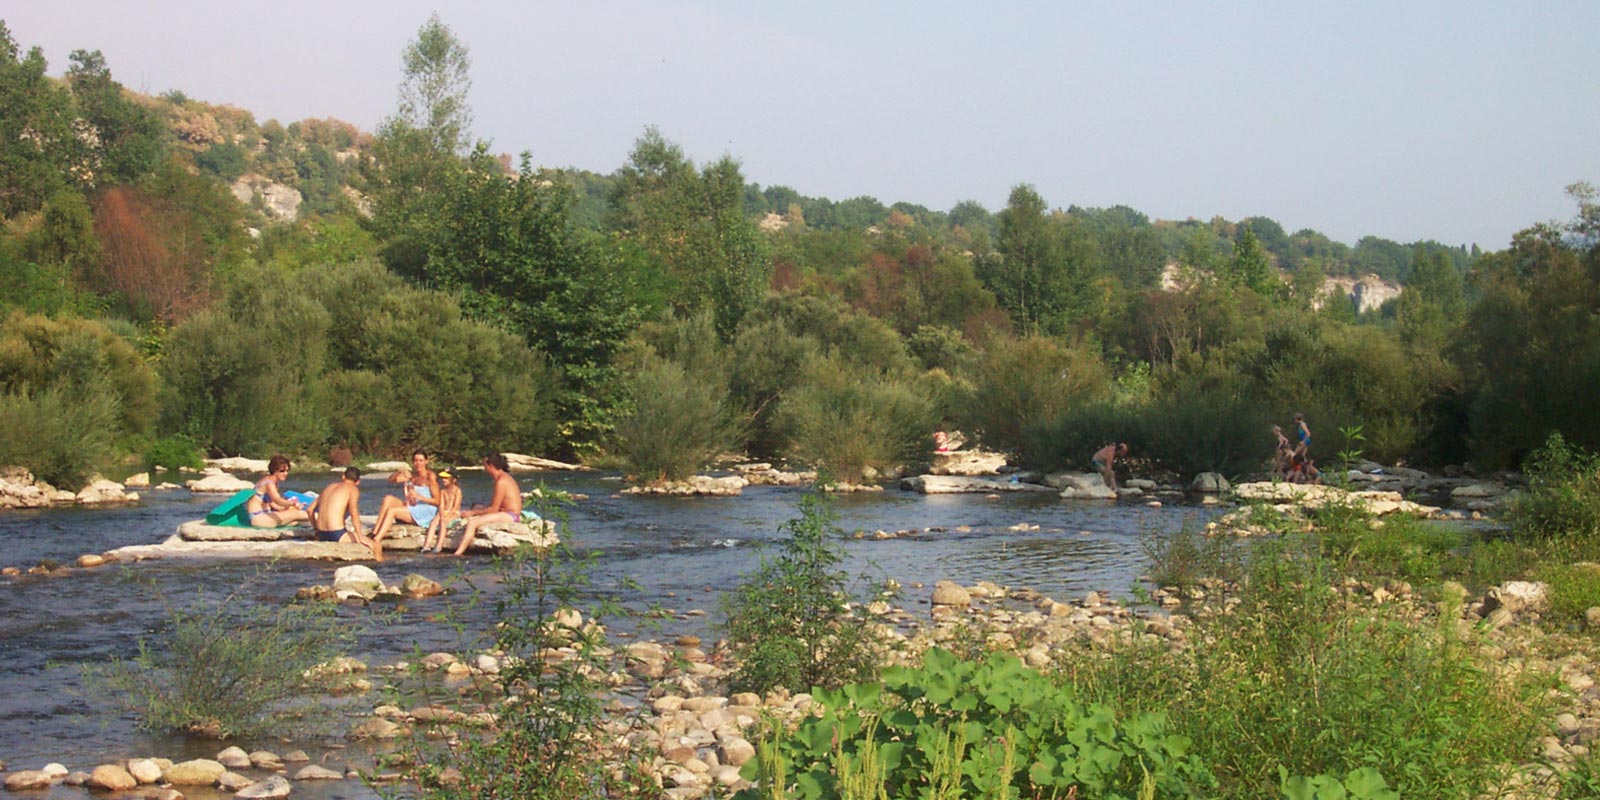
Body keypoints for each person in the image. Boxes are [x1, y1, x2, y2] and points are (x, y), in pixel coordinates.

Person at [369, 450, 439, 562]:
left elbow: (437, 501)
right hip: (414, 506)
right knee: (388, 499)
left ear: (426, 461)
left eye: (421, 460)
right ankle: (375, 532)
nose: (418, 463)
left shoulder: (430, 476)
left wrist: (420, 497)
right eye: (415, 460)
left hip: (426, 509)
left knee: (392, 510)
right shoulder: (412, 476)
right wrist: (399, 472)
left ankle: (377, 540)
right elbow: (390, 480)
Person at [452, 453, 522, 557]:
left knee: (472, 523)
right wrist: (475, 510)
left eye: (485, 465)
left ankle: (458, 553)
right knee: (476, 506)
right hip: (504, 511)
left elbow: (493, 509)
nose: (484, 468)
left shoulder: (501, 481)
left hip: (510, 515)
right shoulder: (501, 478)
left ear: (491, 466)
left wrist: (472, 513)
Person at [246, 455, 310, 527]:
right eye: (282, 471)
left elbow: (274, 505)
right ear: (274, 470)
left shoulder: (272, 481)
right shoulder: (269, 482)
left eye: (287, 471)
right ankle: (323, 519)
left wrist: (288, 507)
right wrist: (293, 503)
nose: (285, 473)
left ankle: (319, 522)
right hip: (259, 518)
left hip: (264, 517)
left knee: (295, 521)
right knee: (297, 514)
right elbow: (277, 500)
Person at [306, 467, 366, 544]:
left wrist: (315, 528)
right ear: (358, 482)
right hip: (336, 534)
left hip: (322, 534)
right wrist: (360, 536)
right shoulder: (353, 489)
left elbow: (309, 510)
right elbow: (353, 513)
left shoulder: (329, 487)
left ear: (343, 476)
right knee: (376, 546)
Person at [420, 468, 463, 553]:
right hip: (444, 512)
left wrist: (447, 516)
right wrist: (442, 514)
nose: (443, 480)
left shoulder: (457, 491)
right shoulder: (443, 491)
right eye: (443, 478)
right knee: (433, 522)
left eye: (446, 478)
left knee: (443, 523)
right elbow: (441, 506)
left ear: (453, 480)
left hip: (454, 513)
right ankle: (426, 545)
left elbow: (455, 506)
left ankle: (439, 546)